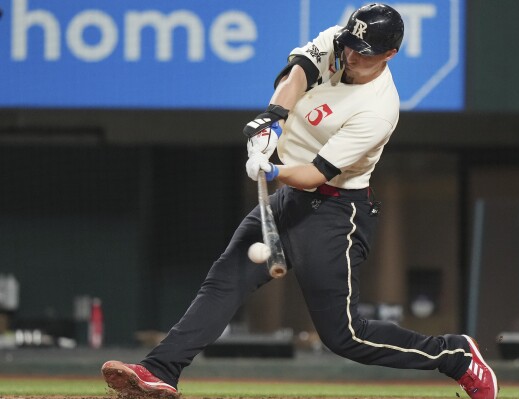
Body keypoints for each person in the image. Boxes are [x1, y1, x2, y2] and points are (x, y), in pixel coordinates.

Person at [101, 4, 498, 399]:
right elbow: (295, 77)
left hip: (336, 211)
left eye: (365, 51)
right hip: (292, 198)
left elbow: (315, 173)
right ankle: (161, 369)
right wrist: (272, 119)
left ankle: (455, 355)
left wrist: (271, 170)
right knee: (226, 279)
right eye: (350, 45)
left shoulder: (378, 109)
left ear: (389, 55)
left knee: (345, 336)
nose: (352, 54)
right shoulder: (337, 42)